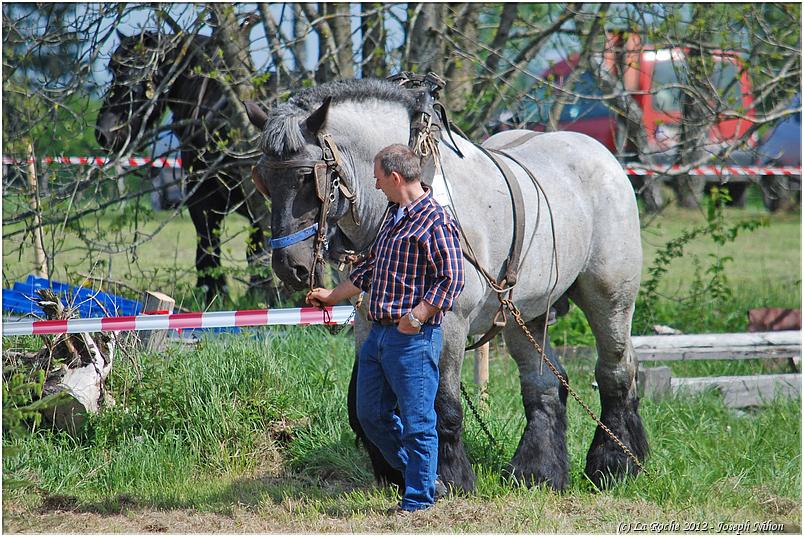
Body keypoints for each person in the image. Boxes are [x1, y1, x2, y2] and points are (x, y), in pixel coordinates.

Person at [306, 144, 464, 513]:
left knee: (418, 422)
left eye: (378, 179)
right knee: (370, 415)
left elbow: (453, 278)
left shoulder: (435, 221)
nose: (376, 187)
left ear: (395, 178)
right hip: (378, 335)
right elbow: (367, 271)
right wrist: (331, 295)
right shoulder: (394, 215)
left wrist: (418, 316)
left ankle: (418, 502)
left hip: (411, 339)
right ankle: (423, 477)